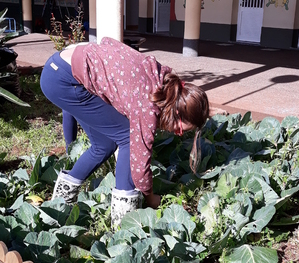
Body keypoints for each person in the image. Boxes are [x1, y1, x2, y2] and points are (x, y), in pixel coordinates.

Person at [40, 37, 209, 228]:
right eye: (179, 130)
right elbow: (139, 161)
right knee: (127, 138)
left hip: (60, 69)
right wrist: (150, 197)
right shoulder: (147, 105)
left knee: (103, 145)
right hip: (64, 81)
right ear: (177, 113)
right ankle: (122, 223)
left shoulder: (162, 80)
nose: (176, 133)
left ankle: (60, 202)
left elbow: (108, 43)